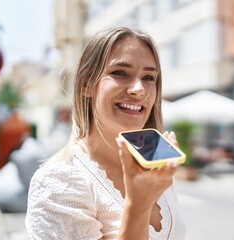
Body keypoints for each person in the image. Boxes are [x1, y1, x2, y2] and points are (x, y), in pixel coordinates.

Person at [25, 27, 186, 240]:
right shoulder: (59, 181)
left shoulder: (153, 165)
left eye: (149, 77)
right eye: (120, 73)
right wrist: (138, 206)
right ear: (86, 85)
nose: (139, 89)